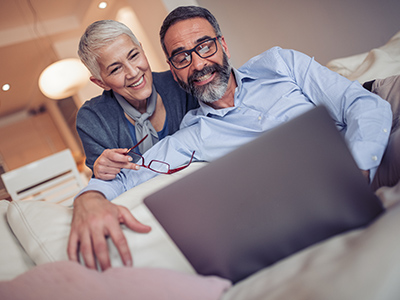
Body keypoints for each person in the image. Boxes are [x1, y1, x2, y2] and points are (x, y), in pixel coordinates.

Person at [68, 6, 396, 271]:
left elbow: (361, 105)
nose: (198, 63)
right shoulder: (190, 137)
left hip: (366, 158)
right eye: (182, 57)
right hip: (314, 204)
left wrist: (357, 170)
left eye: (205, 47)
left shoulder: (282, 63)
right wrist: (89, 199)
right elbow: (125, 178)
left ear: (222, 45)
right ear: (172, 68)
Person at [76, 20, 199, 180]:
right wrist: (102, 172)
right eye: (115, 69)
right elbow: (108, 183)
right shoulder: (92, 119)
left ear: (142, 49)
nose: (133, 72)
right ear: (101, 82)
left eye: (134, 56)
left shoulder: (179, 81)